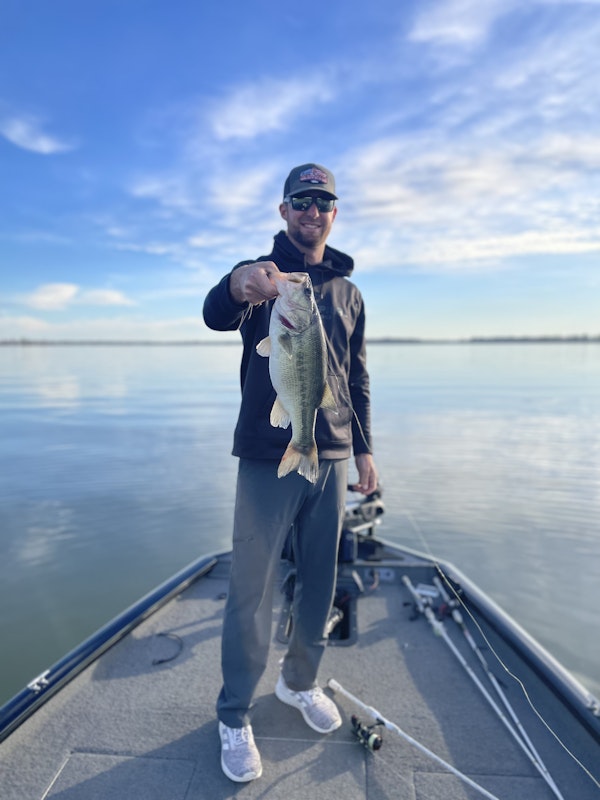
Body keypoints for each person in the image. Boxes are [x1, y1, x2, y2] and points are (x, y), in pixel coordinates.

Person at [202, 163, 378, 782]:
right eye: (301, 200)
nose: (312, 211)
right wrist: (238, 286)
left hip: (331, 454)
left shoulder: (350, 293)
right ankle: (233, 713)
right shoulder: (265, 277)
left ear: (334, 213)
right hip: (266, 456)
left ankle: (298, 681)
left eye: (323, 202)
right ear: (284, 211)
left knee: (320, 581)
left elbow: (356, 378)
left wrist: (364, 450)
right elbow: (216, 312)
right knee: (251, 589)